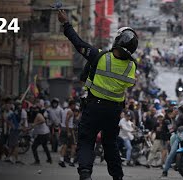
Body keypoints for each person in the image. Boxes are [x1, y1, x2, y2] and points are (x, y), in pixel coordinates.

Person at [57, 9, 138, 180]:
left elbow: (78, 43)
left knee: (86, 140)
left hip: (94, 107)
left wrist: (66, 23)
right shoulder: (132, 67)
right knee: (110, 145)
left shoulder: (100, 57)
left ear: (117, 40)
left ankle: (85, 173)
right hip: (114, 111)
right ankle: (117, 177)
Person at [58, 100, 77, 167]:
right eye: (74, 105)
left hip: (63, 129)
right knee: (73, 146)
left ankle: (62, 160)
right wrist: (68, 131)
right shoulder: (70, 112)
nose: (75, 107)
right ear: (72, 105)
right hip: (68, 129)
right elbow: (66, 121)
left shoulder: (64, 110)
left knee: (65, 145)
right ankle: (71, 161)